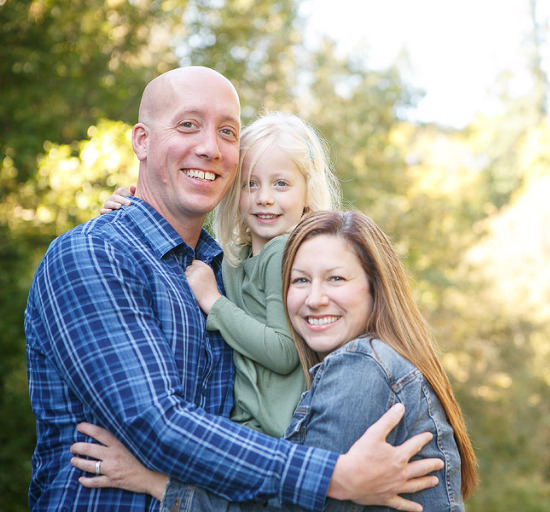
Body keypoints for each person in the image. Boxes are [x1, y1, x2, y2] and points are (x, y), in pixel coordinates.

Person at [25, 66, 442, 512]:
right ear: (142, 142)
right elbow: (153, 423)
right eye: (188, 125)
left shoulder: (220, 273)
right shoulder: (96, 254)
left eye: (227, 132)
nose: (209, 147)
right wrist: (333, 476)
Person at [70, 210, 479, 511]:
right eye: (300, 280)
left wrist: (155, 482)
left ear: (375, 289)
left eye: (336, 278)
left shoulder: (363, 365)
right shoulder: (353, 367)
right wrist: (133, 209)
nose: (315, 297)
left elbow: (293, 506)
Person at [102, 111, 342, 438]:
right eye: (250, 184)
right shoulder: (235, 258)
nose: (265, 198)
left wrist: (214, 302)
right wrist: (134, 209)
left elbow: (284, 352)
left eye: (281, 183)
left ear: (307, 192)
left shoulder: (284, 252)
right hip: (247, 426)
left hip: (280, 434)